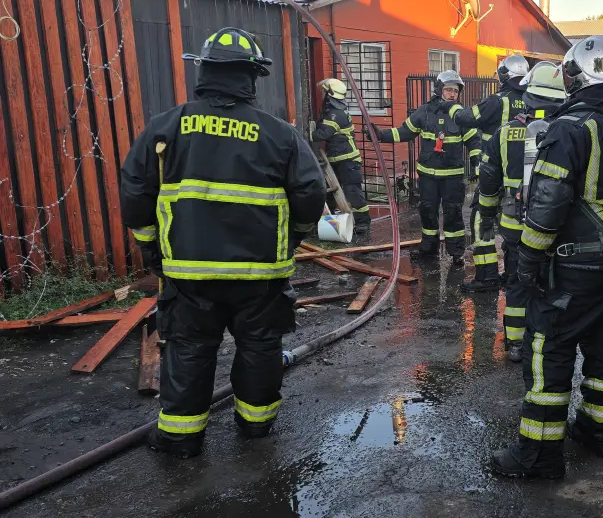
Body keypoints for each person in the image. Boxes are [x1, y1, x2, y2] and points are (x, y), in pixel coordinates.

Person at [120, 27, 326, 458]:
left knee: (190, 348)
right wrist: (289, 243)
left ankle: (180, 436)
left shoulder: (166, 128)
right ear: (252, 77)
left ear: (205, 70)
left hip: (188, 272)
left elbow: (136, 191)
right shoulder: (280, 134)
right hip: (260, 273)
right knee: (259, 346)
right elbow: (311, 194)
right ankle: (256, 426)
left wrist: (151, 247)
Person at [490, 35, 603, 479]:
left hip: (575, 266)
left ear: (577, 76)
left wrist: (529, 260)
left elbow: (549, 202)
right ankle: (598, 432)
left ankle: (537, 456)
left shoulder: (571, 127)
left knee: (549, 348)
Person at [477, 62, 566, 362]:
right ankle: (547, 340)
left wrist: (487, 217)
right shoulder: (568, 129)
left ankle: (515, 344)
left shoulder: (505, 133)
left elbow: (488, 182)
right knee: (550, 284)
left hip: (515, 226)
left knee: (516, 283)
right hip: (556, 228)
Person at [448, 55, 530, 292]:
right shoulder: (531, 99)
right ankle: (513, 275)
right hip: (521, 177)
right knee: (514, 225)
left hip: (493, 174)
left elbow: (465, 118)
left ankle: (487, 276)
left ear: (504, 75)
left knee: (480, 220)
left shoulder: (497, 101)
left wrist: (451, 106)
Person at [383, 70, 480, 263]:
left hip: (452, 177)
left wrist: (478, 162)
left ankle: (456, 253)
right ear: (439, 90)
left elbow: (474, 142)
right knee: (427, 212)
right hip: (428, 176)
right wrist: (380, 135)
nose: (453, 94)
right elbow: (405, 132)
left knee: (453, 213)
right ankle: (428, 249)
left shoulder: (462, 115)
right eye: (448, 90)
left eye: (455, 91)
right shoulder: (424, 112)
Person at [310, 78, 370, 235]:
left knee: (352, 191)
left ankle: (363, 222)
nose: (322, 94)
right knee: (330, 192)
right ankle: (328, 222)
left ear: (330, 95)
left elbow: (322, 134)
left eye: (324, 92)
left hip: (348, 160)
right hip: (337, 159)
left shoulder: (336, 115)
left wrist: (302, 131)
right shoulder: (332, 112)